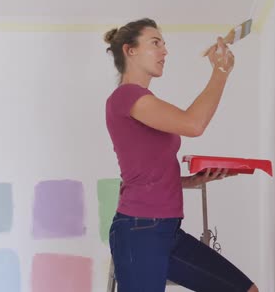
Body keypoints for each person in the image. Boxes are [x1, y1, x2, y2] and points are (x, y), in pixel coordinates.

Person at [104, 18, 258, 292]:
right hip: (140, 230)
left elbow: (144, 171)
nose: (165, 51)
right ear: (130, 50)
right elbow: (193, 124)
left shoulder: (143, 101)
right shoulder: (126, 97)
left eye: (164, 45)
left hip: (166, 230)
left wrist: (191, 181)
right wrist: (220, 71)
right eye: (155, 43)